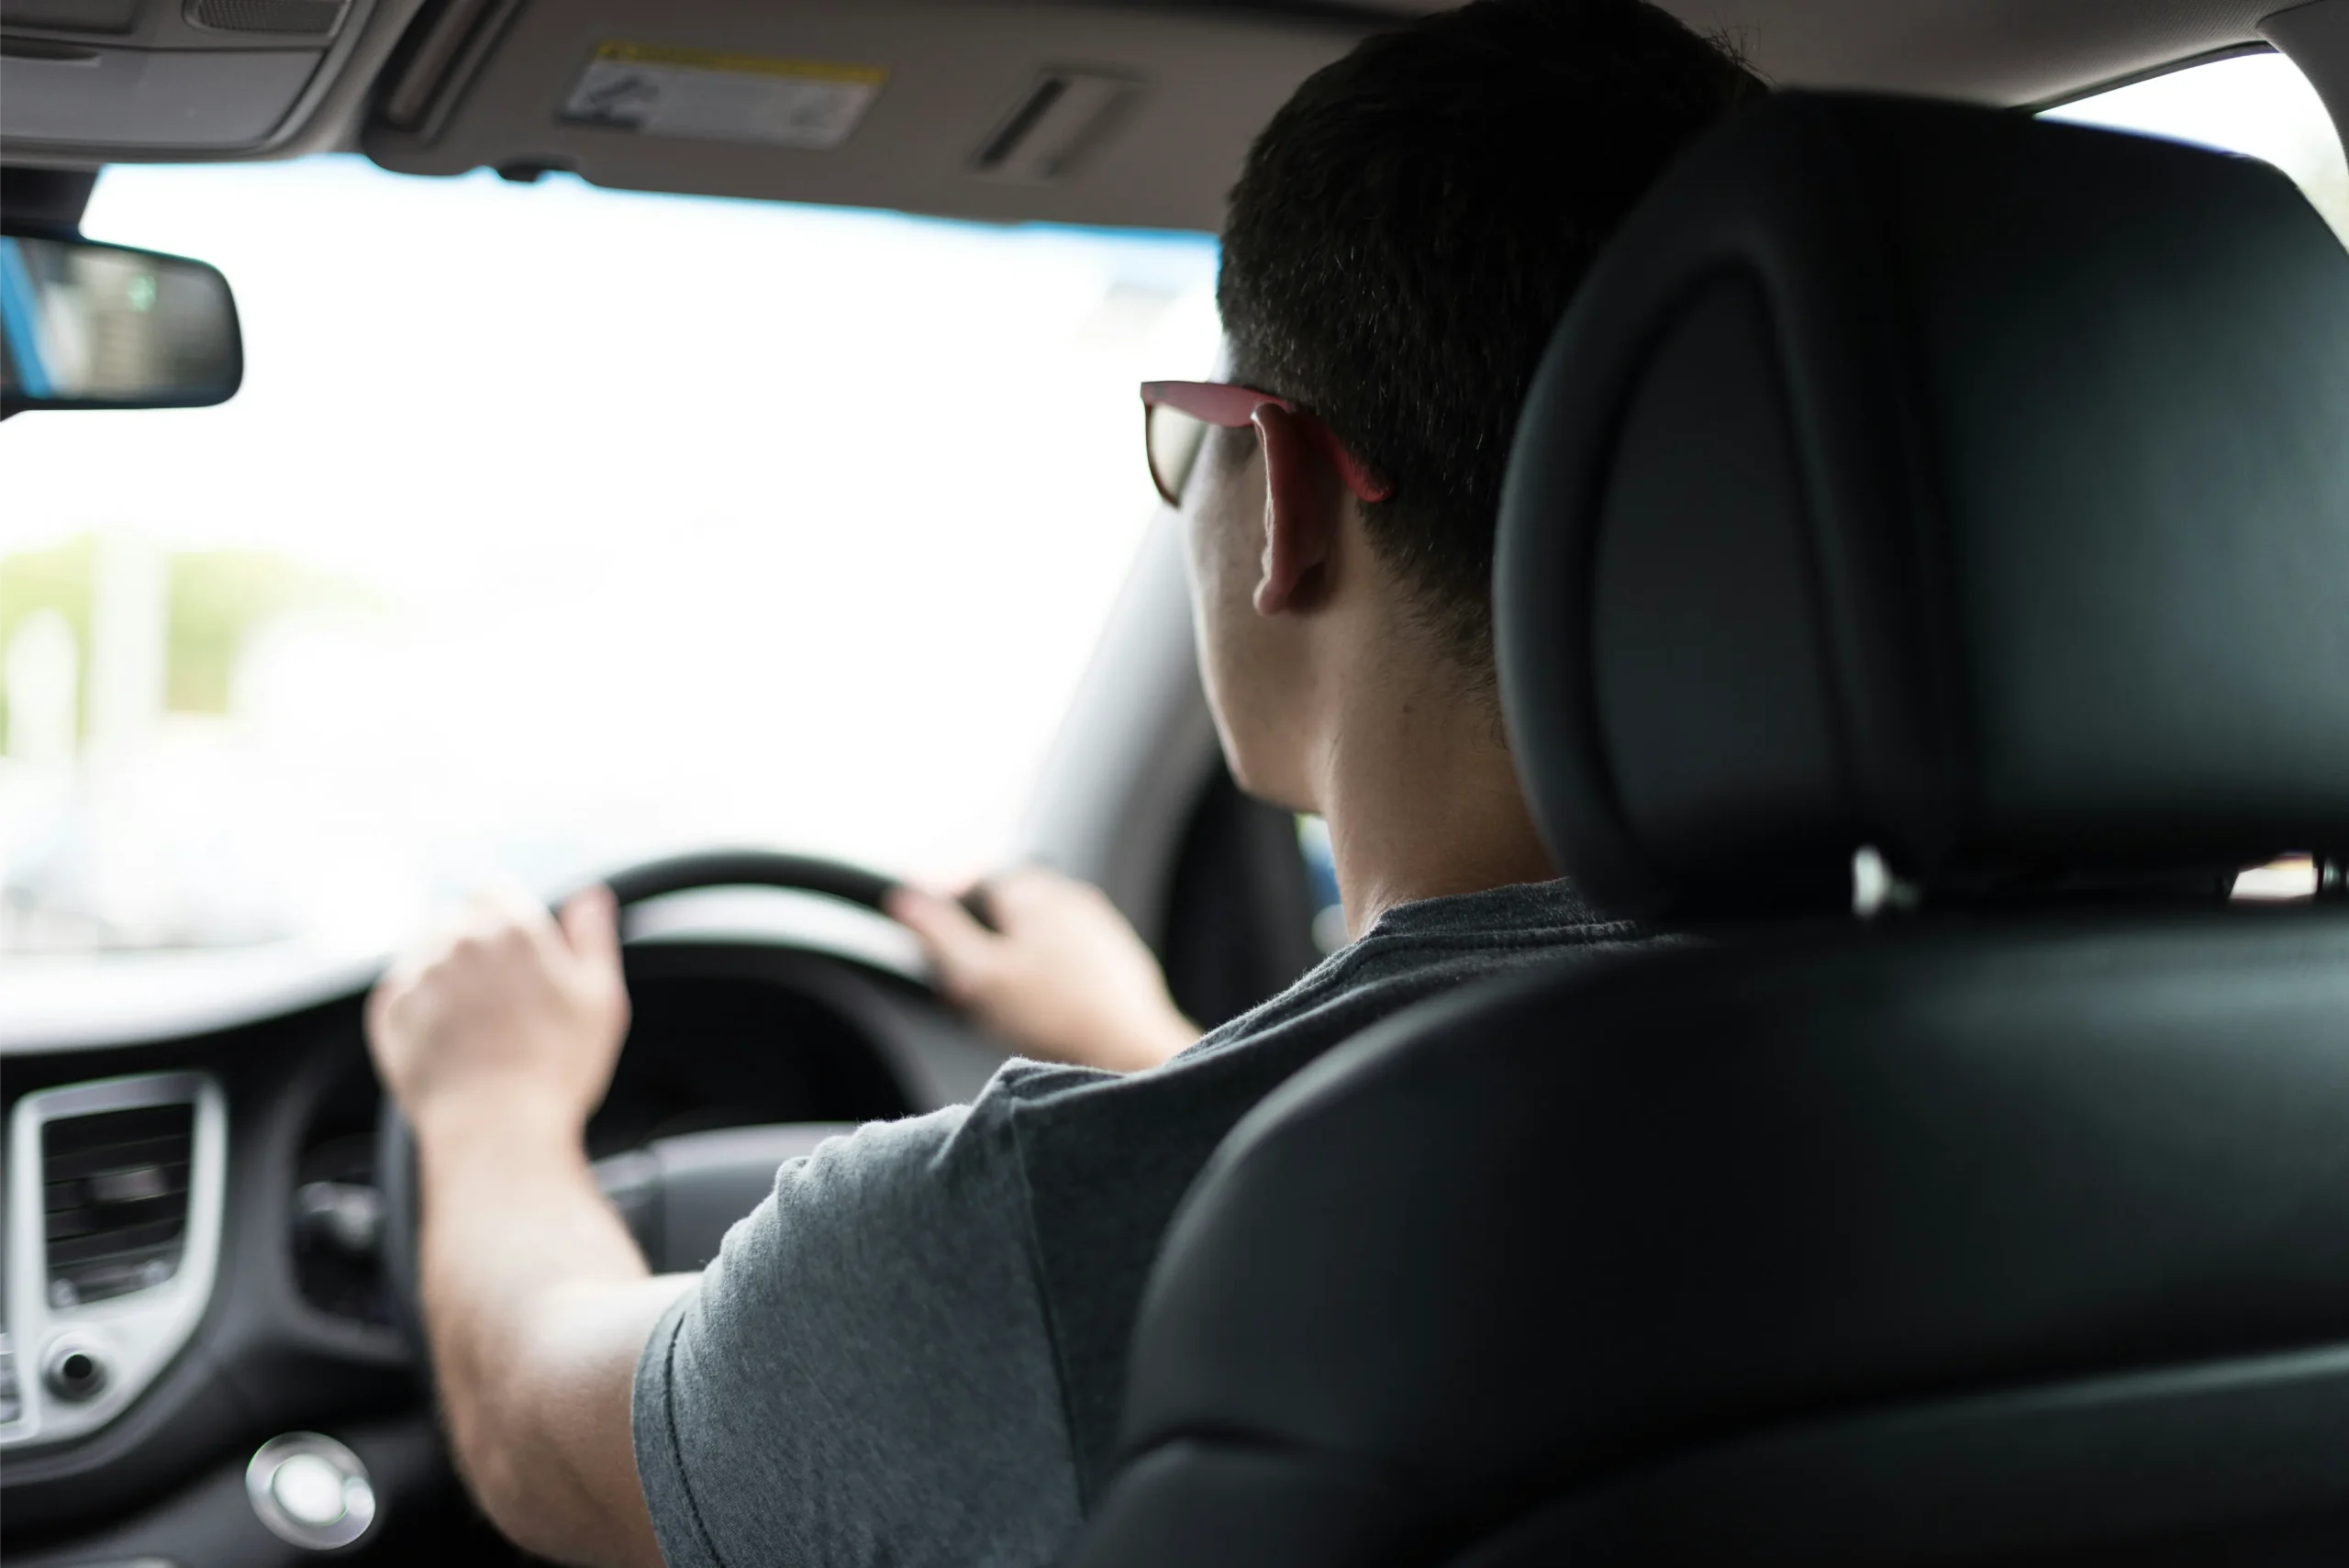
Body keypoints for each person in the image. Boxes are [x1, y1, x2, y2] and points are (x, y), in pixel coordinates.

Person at [362, 4, 1764, 1564]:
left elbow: (533, 1428)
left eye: (1197, 441)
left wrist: (486, 1102)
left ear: (1284, 493)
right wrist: (1145, 1049)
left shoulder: (1023, 1240)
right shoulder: (2008, 1057)